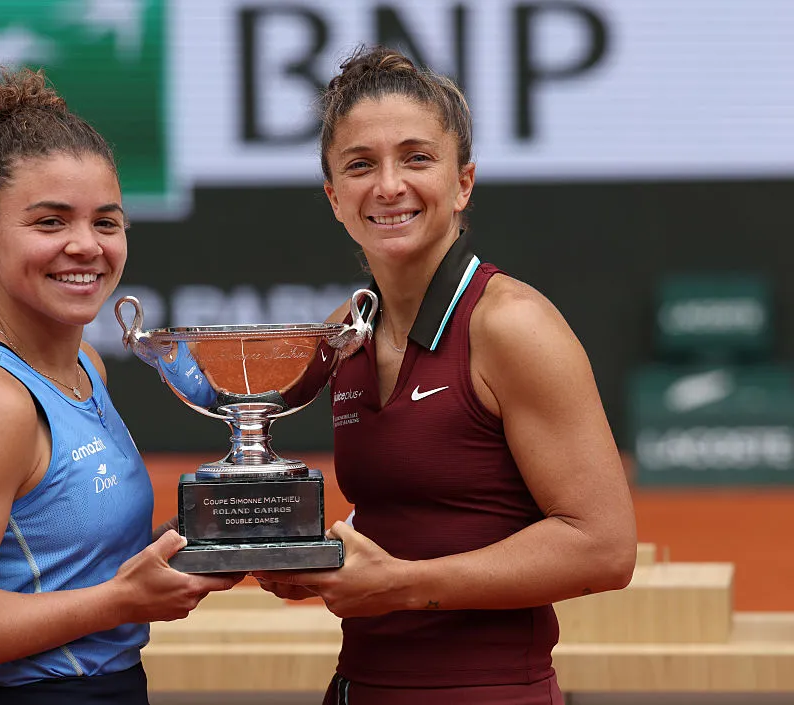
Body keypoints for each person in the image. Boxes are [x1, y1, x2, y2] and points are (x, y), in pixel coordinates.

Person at [254, 46, 637, 705]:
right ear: (334, 197)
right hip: (360, 686)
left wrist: (401, 581)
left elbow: (603, 547)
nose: (388, 184)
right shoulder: (348, 328)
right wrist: (311, 558)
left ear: (463, 182)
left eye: (417, 157)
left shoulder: (511, 324)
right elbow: (420, 507)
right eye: (360, 165)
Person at [0, 67, 240, 705]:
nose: (86, 246)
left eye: (106, 222)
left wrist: (216, 528)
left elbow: (72, 568)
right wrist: (120, 602)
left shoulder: (86, 370)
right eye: (50, 223)